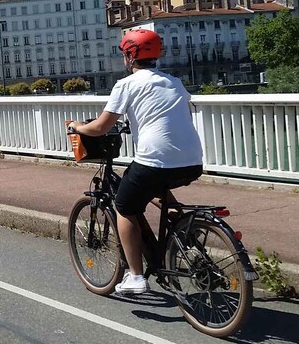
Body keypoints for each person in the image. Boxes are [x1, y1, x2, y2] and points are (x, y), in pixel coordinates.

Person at [69, 29, 203, 295]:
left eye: (124, 54)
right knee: (157, 186)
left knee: (125, 207)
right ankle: (185, 233)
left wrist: (77, 126)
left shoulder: (126, 85)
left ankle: (135, 276)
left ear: (130, 56)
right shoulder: (174, 82)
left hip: (155, 159)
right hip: (192, 160)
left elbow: (100, 127)